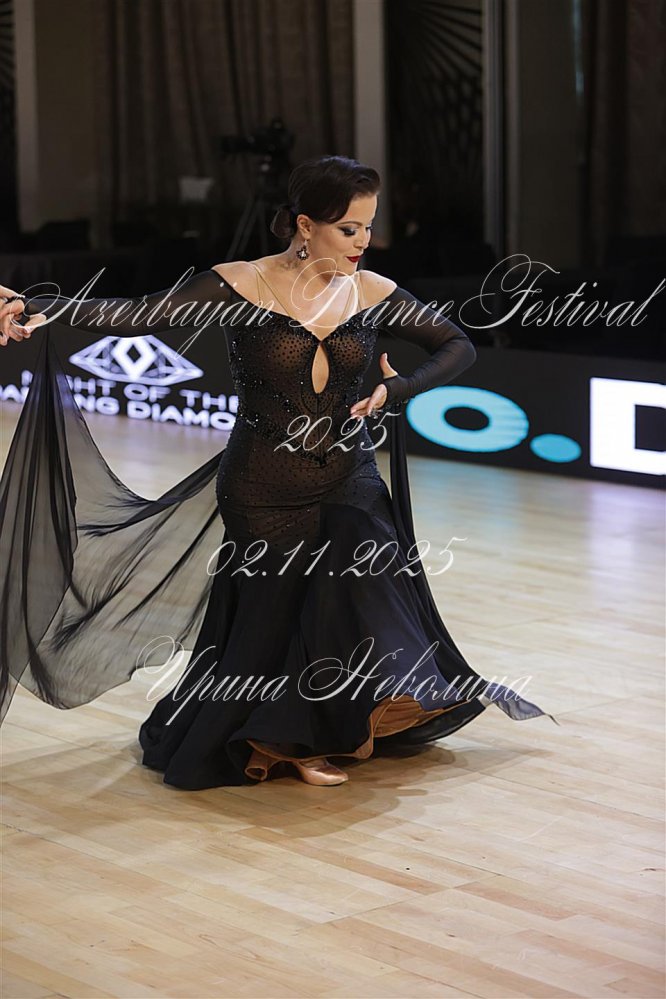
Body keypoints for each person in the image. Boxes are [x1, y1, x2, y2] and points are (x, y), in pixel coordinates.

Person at [0, 155, 553, 789]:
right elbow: (137, 314)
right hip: (263, 484)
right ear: (305, 225)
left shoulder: (372, 291)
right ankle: (274, 737)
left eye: (369, 227)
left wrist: (400, 389)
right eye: (349, 229)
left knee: (348, 605)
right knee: (271, 620)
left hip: (349, 476)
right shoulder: (242, 284)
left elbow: (458, 345)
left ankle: (321, 735)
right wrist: (36, 304)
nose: (363, 242)